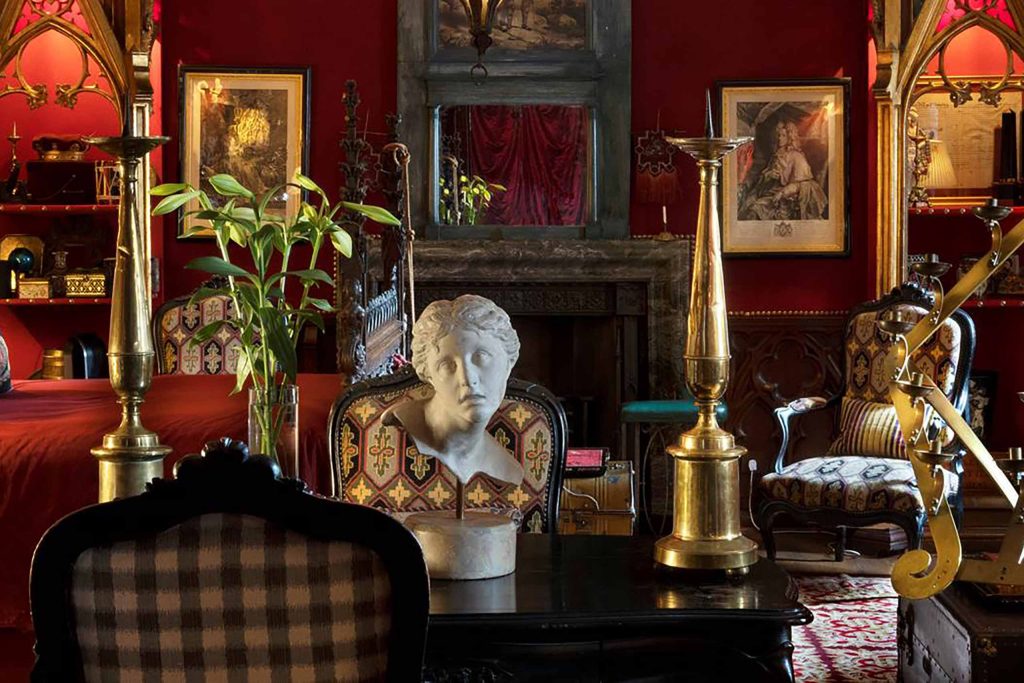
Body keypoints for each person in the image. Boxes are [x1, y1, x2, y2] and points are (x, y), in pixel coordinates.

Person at [384, 294, 525, 486]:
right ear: (428, 375)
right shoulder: (404, 421)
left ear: (509, 363)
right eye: (446, 365)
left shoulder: (506, 466)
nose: (468, 379)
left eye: (481, 357)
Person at [740, 119, 828, 221]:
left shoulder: (797, 157)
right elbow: (765, 180)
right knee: (750, 208)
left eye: (783, 136)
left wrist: (782, 193)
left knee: (756, 210)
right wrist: (768, 176)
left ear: (789, 137)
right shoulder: (776, 156)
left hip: (788, 198)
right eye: (778, 135)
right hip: (771, 193)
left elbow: (802, 184)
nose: (779, 138)